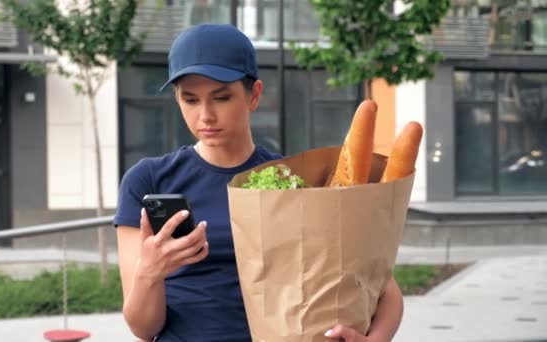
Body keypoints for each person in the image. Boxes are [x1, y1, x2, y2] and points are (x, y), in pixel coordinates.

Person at [115, 23, 404, 342]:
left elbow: (383, 288)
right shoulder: (148, 180)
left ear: (254, 95)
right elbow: (144, 329)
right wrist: (149, 273)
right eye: (191, 100)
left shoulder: (292, 180)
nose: (206, 116)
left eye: (221, 97)